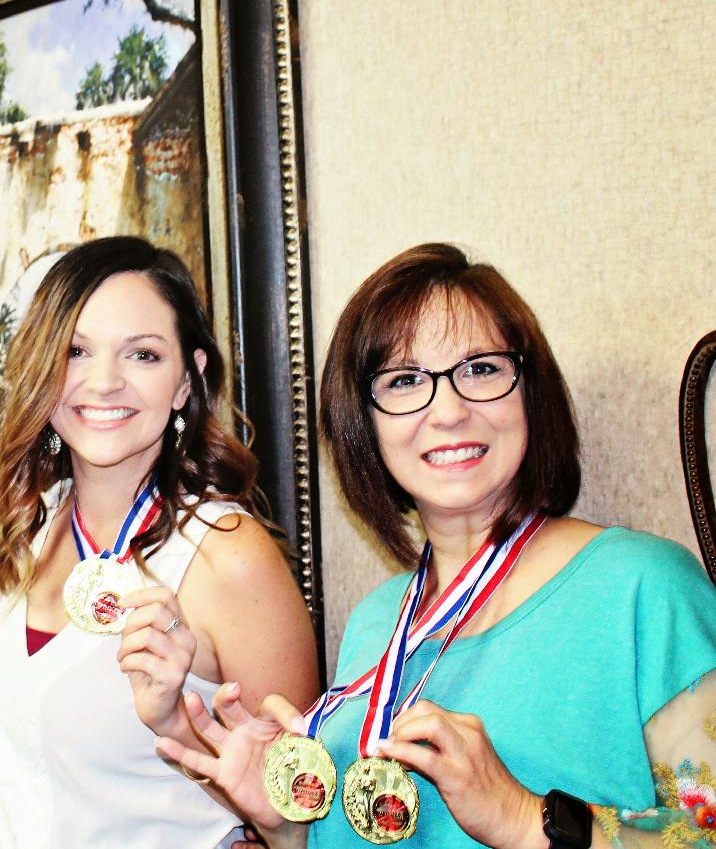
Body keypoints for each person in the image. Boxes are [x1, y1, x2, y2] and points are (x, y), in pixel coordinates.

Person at [159, 242, 716, 849]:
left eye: (481, 369)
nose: (448, 410)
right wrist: (287, 828)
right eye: (403, 380)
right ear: (363, 425)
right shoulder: (378, 620)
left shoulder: (645, 587)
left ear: (530, 390)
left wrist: (521, 818)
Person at [0, 235, 320, 847]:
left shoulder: (227, 556)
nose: (104, 383)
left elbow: (302, 817)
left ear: (188, 380)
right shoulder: (34, 527)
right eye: (76, 351)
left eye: (143, 355)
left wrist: (179, 727)